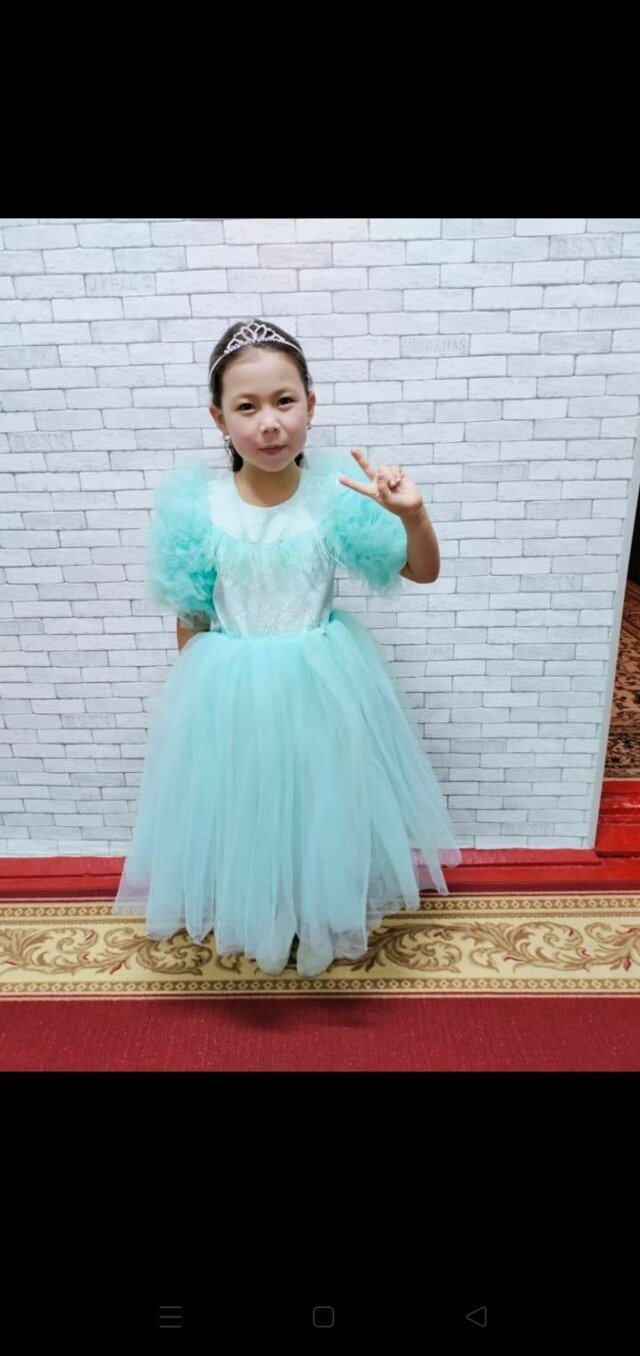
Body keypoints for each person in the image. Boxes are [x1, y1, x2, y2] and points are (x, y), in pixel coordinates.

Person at [112, 319, 462, 976]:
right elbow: (191, 614)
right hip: (231, 693)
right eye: (247, 407)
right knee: (246, 807)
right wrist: (198, 710)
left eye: (284, 401)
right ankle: (257, 913)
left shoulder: (336, 499)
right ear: (219, 418)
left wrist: (412, 515)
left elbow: (421, 571)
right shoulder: (198, 507)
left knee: (317, 805)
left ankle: (313, 912)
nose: (269, 423)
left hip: (320, 687)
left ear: (310, 405)